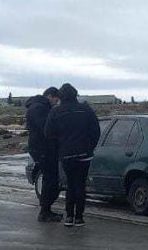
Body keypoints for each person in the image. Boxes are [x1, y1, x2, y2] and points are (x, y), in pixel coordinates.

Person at [44, 83, 101, 227]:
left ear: (61, 96)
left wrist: (59, 148)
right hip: (84, 153)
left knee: (70, 184)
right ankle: (79, 217)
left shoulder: (56, 112)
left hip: (66, 154)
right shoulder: (86, 110)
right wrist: (90, 147)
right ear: (75, 94)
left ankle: (69, 216)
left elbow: (48, 133)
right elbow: (95, 131)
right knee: (80, 184)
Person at [26, 87, 62, 222]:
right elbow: (45, 127)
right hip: (42, 149)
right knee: (49, 179)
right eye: (56, 100)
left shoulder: (39, 107)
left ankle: (46, 209)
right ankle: (45, 211)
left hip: (42, 148)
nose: (56, 103)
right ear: (50, 96)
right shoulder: (39, 108)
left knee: (50, 179)